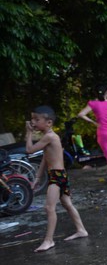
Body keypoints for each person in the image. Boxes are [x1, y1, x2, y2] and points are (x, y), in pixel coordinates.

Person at [25, 106, 88, 252]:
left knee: (49, 207)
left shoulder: (50, 136)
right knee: (66, 203)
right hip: (60, 175)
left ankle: (49, 240)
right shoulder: (48, 137)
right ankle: (81, 229)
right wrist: (37, 177)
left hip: (57, 176)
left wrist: (28, 133)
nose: (33, 122)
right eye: (32, 119)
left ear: (48, 122)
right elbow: (45, 159)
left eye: (37, 119)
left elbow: (29, 150)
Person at [77, 86, 107, 185]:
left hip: (103, 133)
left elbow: (81, 114)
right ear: (106, 93)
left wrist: (93, 122)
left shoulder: (93, 104)